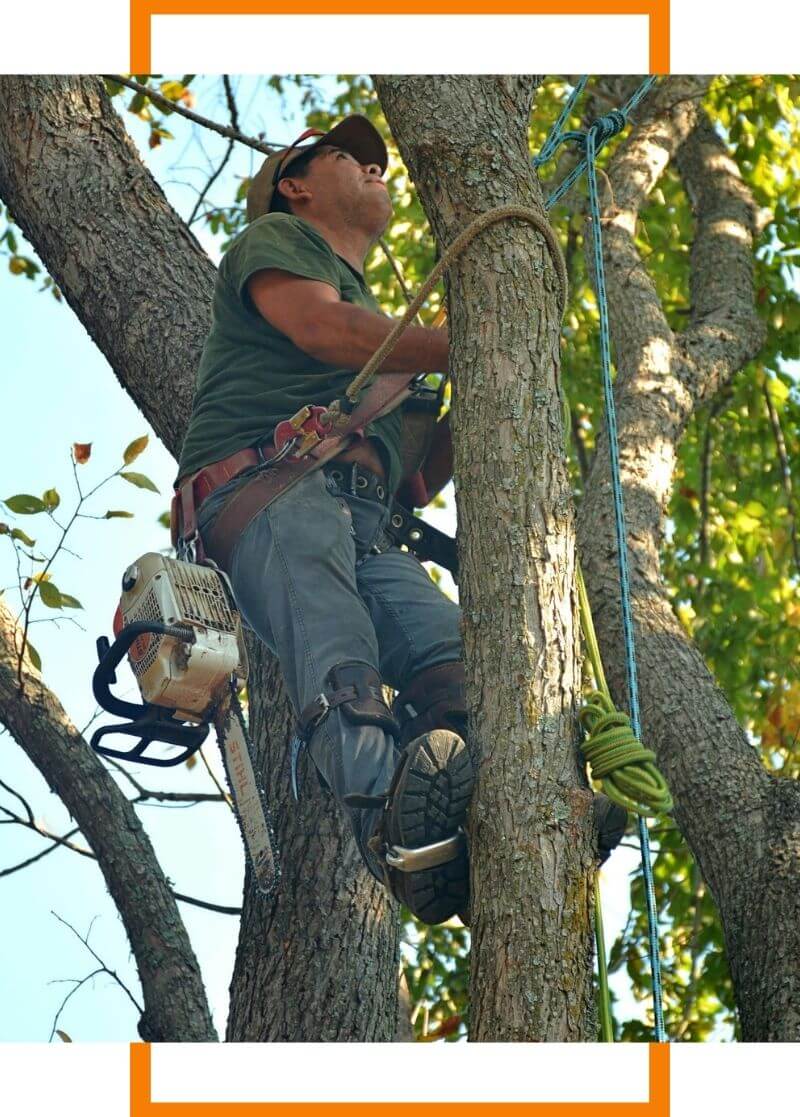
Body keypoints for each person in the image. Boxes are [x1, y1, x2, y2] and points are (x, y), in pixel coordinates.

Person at [175, 114, 626, 926]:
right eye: (353, 156)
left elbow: (417, 474)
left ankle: (506, 818)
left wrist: (501, 376)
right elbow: (324, 329)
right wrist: (468, 339)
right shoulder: (276, 242)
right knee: (339, 647)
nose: (377, 166)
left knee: (463, 660)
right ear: (296, 182)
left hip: (364, 519)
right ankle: (389, 826)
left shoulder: (378, 311)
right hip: (272, 493)